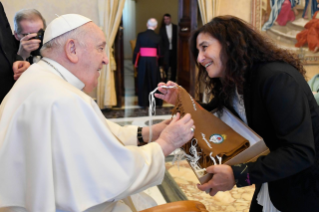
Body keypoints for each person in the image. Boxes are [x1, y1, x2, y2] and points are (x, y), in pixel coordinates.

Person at [0, 14, 195, 212]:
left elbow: (94, 134)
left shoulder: (38, 77)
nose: (105, 60)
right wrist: (166, 143)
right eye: (100, 48)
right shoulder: (64, 99)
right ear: (72, 49)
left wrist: (148, 133)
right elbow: (114, 175)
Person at [156, 15, 319, 212]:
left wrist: (238, 174)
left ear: (229, 44)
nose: (199, 58)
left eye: (205, 47)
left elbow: (300, 152)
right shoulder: (236, 83)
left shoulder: (276, 79)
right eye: (198, 51)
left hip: (304, 189)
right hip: (272, 180)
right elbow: (211, 116)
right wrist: (179, 99)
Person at [133, 18, 162, 108]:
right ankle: (155, 102)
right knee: (154, 80)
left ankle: (143, 103)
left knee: (142, 80)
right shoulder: (158, 37)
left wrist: (135, 62)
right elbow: (160, 53)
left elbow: (137, 50)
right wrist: (161, 64)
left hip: (143, 61)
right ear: (156, 26)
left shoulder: (140, 35)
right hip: (153, 62)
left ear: (147, 24)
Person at [159, 13, 178, 82]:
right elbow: (160, 41)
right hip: (166, 51)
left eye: (167, 19)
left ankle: (173, 80)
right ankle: (165, 80)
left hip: (174, 50)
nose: (166, 20)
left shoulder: (176, 27)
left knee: (174, 66)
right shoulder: (162, 29)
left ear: (170, 19)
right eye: (165, 19)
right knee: (166, 66)